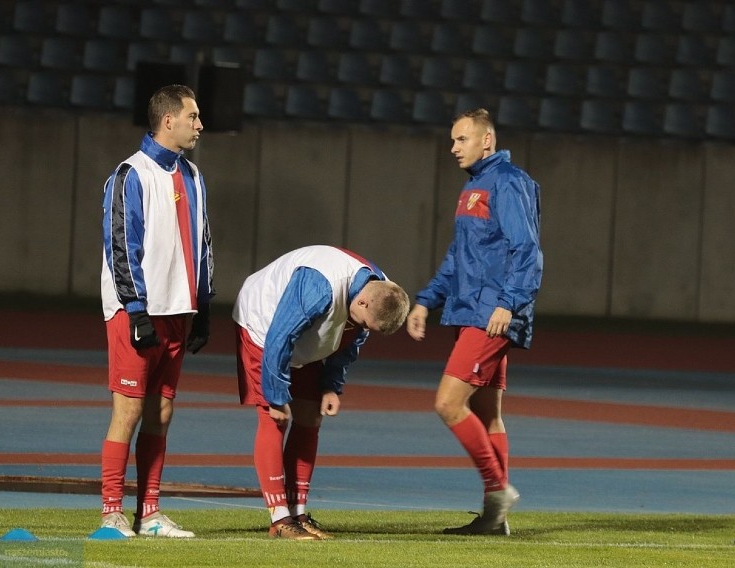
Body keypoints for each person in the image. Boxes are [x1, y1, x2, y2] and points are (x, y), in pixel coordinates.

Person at [407, 108, 542, 536]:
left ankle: (497, 489)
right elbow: (457, 258)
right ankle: (494, 520)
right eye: (452, 140)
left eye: (461, 140)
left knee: (448, 403)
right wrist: (426, 300)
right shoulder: (474, 188)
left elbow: (528, 251)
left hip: (492, 315)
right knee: (488, 416)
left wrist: (510, 303)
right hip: (472, 310)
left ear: (487, 141)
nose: (453, 148)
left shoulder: (507, 182)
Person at [98, 84, 214, 539]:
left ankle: (149, 513)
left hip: (178, 311)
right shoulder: (130, 173)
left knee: (161, 412)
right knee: (127, 411)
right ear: (169, 120)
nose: (200, 125)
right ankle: (111, 513)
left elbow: (203, 243)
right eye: (193, 116)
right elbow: (121, 247)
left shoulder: (193, 176)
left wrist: (202, 306)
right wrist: (137, 309)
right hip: (137, 311)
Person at [233, 245, 410, 540]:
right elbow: (281, 335)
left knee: (310, 417)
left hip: (307, 332)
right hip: (263, 325)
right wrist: (276, 395)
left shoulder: (379, 290)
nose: (362, 328)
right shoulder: (320, 285)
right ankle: (279, 520)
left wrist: (331, 386)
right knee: (274, 418)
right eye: (365, 323)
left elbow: (351, 340)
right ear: (363, 303)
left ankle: (298, 512)